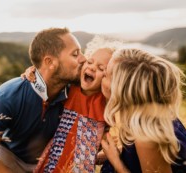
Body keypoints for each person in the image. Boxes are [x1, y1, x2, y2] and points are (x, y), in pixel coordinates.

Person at [0, 27, 86, 173]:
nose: (83, 58)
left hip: (50, 161)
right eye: (75, 54)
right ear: (49, 62)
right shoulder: (7, 95)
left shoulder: (78, 90)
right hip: (7, 158)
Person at [22, 36, 121, 173]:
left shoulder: (106, 100)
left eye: (100, 68)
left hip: (82, 167)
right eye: (90, 62)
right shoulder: (70, 88)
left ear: (109, 77)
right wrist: (34, 71)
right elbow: (51, 75)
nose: (92, 68)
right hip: (55, 158)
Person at [100, 48, 186, 173]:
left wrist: (116, 162)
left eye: (106, 74)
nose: (102, 74)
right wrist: (114, 153)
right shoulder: (146, 113)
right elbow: (140, 154)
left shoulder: (146, 135)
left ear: (120, 90)